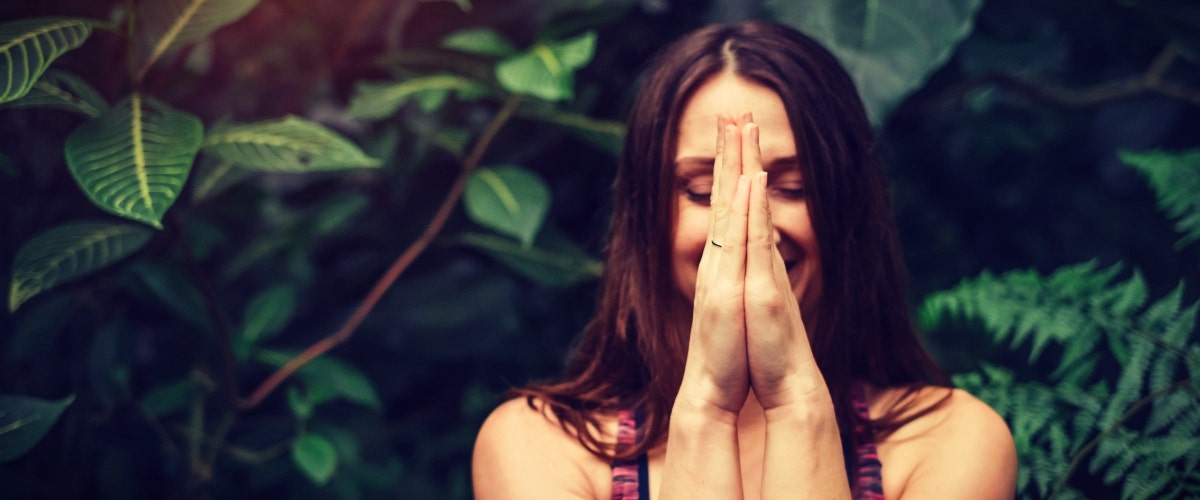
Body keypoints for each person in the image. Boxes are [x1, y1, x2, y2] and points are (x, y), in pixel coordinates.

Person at [472, 20, 1017, 499]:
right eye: (706, 191)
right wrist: (707, 404)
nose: (747, 224)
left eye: (793, 187)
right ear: (647, 220)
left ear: (848, 210)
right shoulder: (538, 447)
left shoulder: (950, 444)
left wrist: (793, 401)